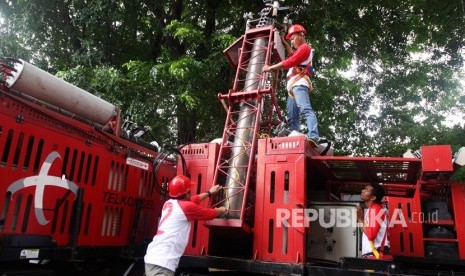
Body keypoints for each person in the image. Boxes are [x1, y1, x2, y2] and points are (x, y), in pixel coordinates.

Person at [144, 175, 228, 276]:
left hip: (154, 256)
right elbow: (209, 214)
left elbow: (193, 199)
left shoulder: (169, 203)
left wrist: (209, 193)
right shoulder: (186, 207)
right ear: (187, 193)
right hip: (163, 262)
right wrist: (222, 210)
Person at [262, 24, 321, 143]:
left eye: (293, 38)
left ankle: (314, 136)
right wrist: (283, 41)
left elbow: (290, 61)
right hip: (293, 88)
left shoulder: (305, 48)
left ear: (301, 35)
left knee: (305, 109)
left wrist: (270, 68)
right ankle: (293, 140)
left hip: (299, 85)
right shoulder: (300, 51)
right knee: (292, 119)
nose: (292, 42)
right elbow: (291, 53)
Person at [356, 183, 390, 259]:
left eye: (366, 190)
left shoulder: (375, 209)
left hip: (375, 255)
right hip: (374, 255)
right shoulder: (373, 209)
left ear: (373, 197)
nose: (362, 190)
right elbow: (367, 231)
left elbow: (371, 235)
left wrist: (360, 218)